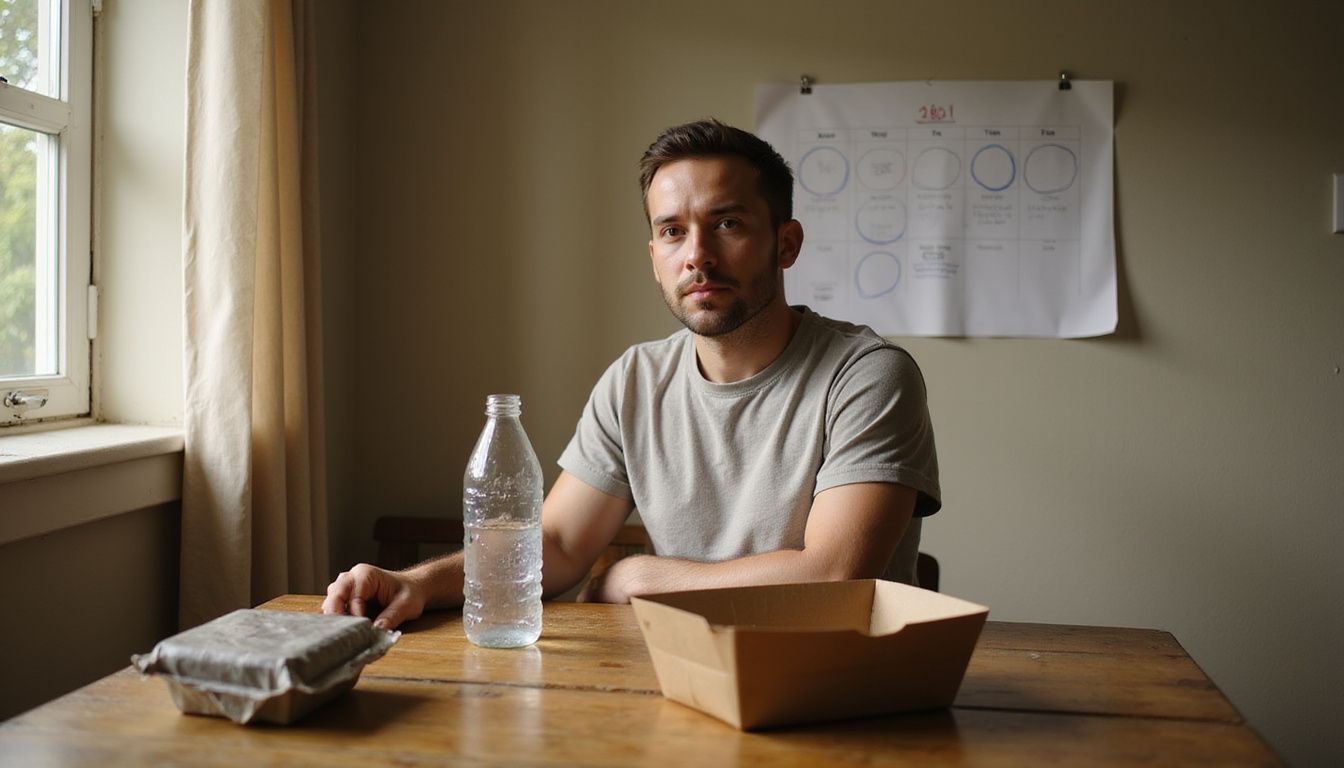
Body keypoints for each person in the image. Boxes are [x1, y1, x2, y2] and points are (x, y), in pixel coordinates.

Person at [322, 119, 940, 630]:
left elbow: (833, 574)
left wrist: (637, 577)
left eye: (727, 223)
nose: (697, 254)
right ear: (655, 258)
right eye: (673, 231)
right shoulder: (636, 379)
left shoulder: (869, 376)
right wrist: (415, 582)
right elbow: (559, 546)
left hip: (835, 688)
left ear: (786, 243)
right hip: (678, 675)